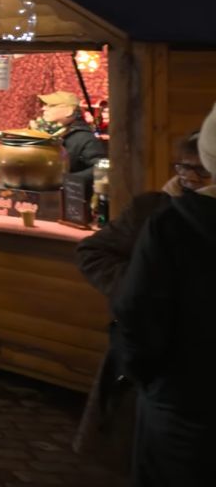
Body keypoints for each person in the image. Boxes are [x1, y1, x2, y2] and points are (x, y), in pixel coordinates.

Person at [73, 130, 210, 472]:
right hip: (160, 373)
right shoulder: (154, 208)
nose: (188, 177)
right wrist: (137, 286)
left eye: (201, 170)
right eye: (182, 167)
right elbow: (94, 250)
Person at [114, 104, 216, 485]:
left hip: (183, 399)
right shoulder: (166, 216)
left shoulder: (175, 223)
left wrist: (143, 376)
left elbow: (140, 316)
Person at [36, 91, 106, 175]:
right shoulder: (45, 133)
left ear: (69, 111)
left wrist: (72, 179)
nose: (44, 108)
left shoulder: (84, 138)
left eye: (51, 105)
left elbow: (101, 167)